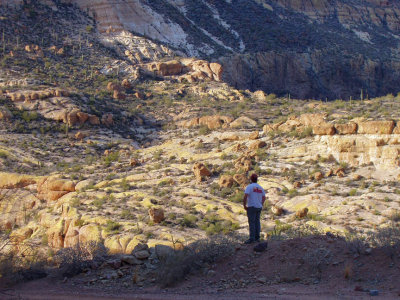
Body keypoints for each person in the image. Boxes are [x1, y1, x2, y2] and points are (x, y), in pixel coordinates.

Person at [243, 173, 266, 244]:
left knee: (252, 223)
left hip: (251, 207)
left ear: (251, 179)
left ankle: (252, 238)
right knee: (257, 222)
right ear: (257, 179)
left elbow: (245, 196)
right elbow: (264, 197)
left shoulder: (249, 187)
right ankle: (257, 238)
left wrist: (244, 205)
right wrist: (261, 204)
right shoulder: (260, 187)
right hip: (258, 207)